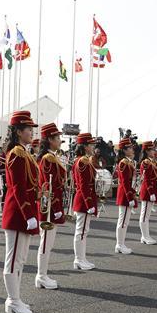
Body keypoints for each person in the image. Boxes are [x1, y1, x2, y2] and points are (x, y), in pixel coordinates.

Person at [1, 111, 40, 313]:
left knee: (21, 258)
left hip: (25, 211)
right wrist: (28, 214)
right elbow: (18, 187)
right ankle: (12, 300)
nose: (32, 133)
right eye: (28, 129)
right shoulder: (16, 153)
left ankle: (16, 298)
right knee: (14, 258)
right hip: (18, 212)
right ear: (18, 131)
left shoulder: (24, 152)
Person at [35, 122, 65, 289]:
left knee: (48, 242)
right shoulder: (48, 158)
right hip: (49, 207)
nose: (60, 140)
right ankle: (41, 275)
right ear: (49, 140)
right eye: (57, 138)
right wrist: (56, 208)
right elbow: (49, 185)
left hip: (53, 205)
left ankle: (43, 274)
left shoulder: (52, 156)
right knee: (46, 242)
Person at [71, 132, 98, 270]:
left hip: (84, 200)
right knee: (81, 231)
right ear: (85, 146)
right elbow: (83, 184)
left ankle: (82, 258)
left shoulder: (84, 160)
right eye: (91, 144)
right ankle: (78, 259)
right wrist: (89, 203)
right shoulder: (82, 161)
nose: (93, 146)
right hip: (83, 200)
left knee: (83, 231)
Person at [114, 137, 137, 254]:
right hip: (124, 195)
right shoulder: (123, 163)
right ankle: (119, 244)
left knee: (125, 221)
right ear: (124, 150)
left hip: (127, 194)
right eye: (129, 148)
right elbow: (124, 182)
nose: (132, 149)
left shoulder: (129, 162)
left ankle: (121, 243)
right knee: (122, 220)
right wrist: (129, 196)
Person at [138, 141, 157, 244]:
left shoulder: (153, 162)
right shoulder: (145, 162)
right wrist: (151, 192)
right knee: (144, 215)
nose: (154, 151)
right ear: (147, 151)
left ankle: (146, 236)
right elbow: (146, 179)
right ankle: (144, 236)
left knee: (147, 215)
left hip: (151, 190)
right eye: (151, 149)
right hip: (147, 191)